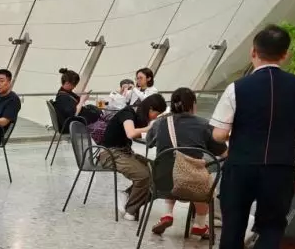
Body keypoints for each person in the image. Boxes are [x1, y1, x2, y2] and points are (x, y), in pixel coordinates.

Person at [210, 25, 295, 249]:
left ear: (253, 52)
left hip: (242, 164)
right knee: (272, 225)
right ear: (285, 55)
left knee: (234, 219)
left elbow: (219, 134)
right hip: (280, 166)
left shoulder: (237, 88)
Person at [146, 88, 228, 238]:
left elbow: (149, 142)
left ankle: (167, 214)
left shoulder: (160, 122)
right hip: (191, 184)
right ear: (193, 105)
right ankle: (200, 224)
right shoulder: (204, 125)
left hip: (161, 183)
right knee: (204, 181)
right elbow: (223, 153)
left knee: (172, 166)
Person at [97, 93, 166, 221]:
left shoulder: (136, 116)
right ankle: (131, 210)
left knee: (157, 170)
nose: (155, 117)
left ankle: (127, 195)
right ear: (150, 109)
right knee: (143, 175)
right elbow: (131, 133)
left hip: (124, 152)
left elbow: (136, 135)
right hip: (110, 154)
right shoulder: (128, 113)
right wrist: (150, 127)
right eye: (156, 114)